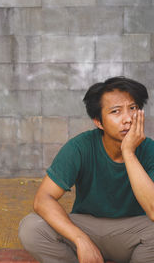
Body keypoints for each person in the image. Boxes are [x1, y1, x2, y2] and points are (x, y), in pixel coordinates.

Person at [19, 76, 154, 263]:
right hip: (87, 227)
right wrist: (81, 239)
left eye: (132, 108)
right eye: (116, 111)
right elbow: (43, 199)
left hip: (132, 232)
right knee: (31, 227)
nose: (128, 119)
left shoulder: (149, 149)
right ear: (99, 122)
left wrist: (128, 153)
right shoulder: (80, 147)